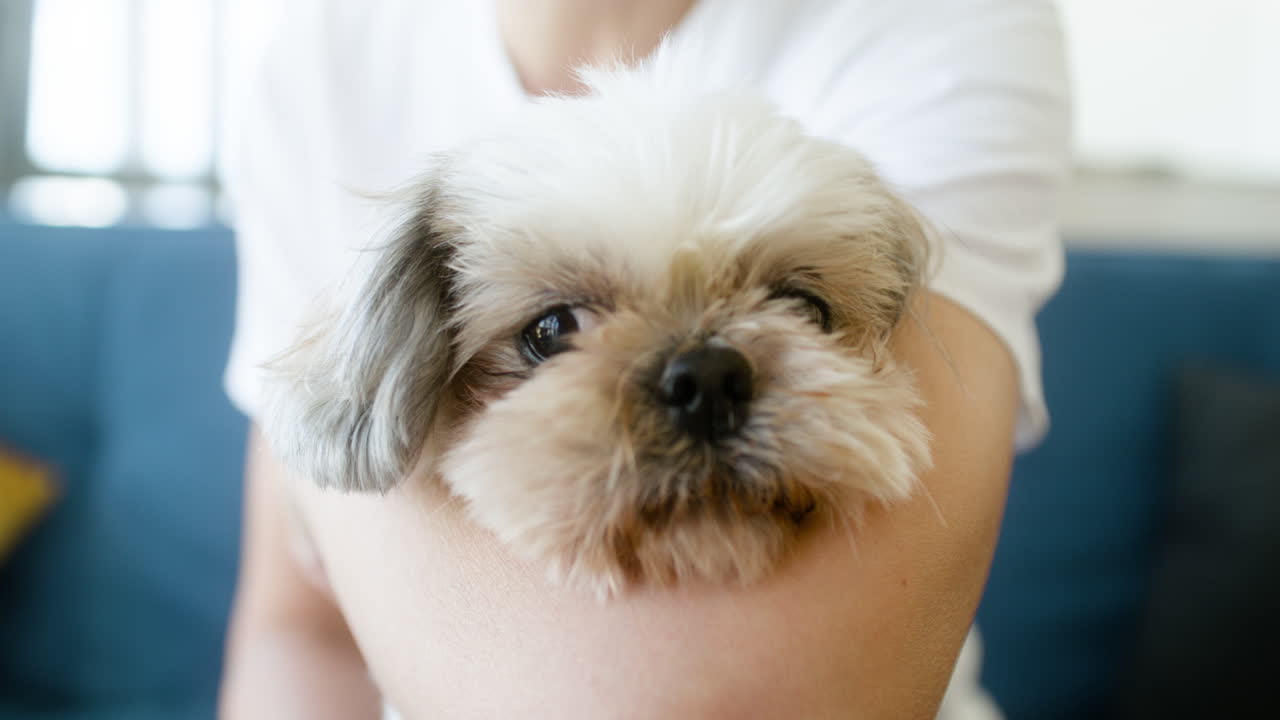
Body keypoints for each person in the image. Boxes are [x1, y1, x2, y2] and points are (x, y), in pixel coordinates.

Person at [217, 0, 1070, 717]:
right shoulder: (326, 49)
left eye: (801, 305)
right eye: (555, 333)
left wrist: (323, 510)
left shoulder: (937, 23)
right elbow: (300, 633)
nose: (702, 381)